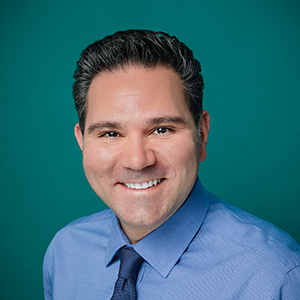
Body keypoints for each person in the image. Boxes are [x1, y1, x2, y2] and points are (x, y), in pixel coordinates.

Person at [43, 29, 300, 299]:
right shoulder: (64, 253)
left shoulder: (276, 276)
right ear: (82, 141)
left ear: (202, 133)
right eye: (110, 133)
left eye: (162, 129)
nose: (137, 160)